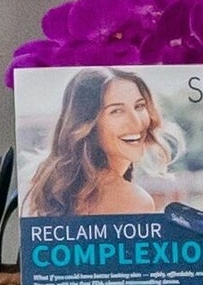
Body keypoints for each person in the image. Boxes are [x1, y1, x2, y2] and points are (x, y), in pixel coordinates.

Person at [23, 69, 168, 220]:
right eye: (117, 111)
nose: (137, 122)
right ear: (88, 124)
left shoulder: (57, 185)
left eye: (139, 106)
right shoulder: (134, 201)